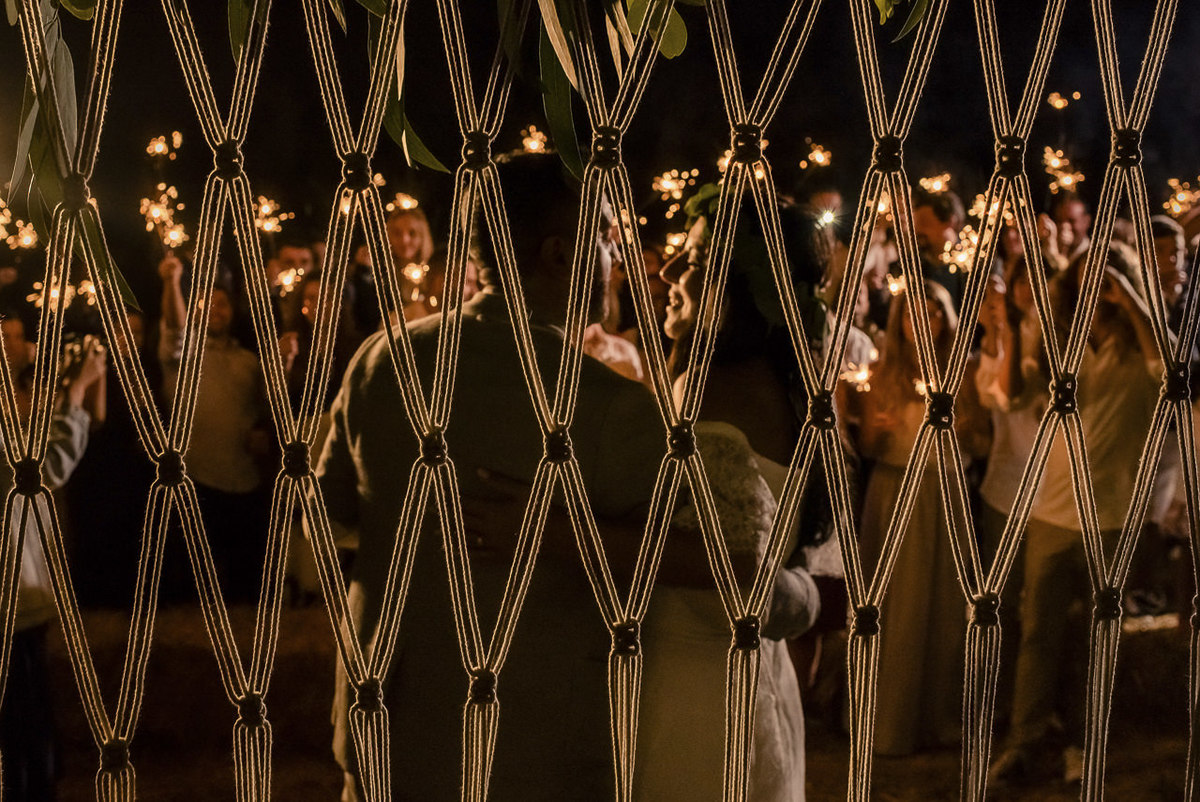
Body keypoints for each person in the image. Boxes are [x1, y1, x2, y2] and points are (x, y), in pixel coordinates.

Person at [317, 152, 694, 801]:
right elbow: (698, 567)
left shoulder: (382, 360)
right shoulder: (609, 407)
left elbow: (331, 517)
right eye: (605, 238)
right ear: (557, 253)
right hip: (534, 748)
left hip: (389, 733)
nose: (617, 261)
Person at [634, 198, 826, 801]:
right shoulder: (793, 385)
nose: (666, 273)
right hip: (757, 677)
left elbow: (729, 577)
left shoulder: (711, 389)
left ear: (742, 285)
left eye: (691, 258)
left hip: (694, 694)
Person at [990, 242, 1162, 785]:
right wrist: (1019, 326)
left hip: (1114, 514)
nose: (1094, 291)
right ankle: (1024, 743)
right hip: (1053, 509)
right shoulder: (1062, 341)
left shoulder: (1145, 346)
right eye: (1085, 280)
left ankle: (1086, 748)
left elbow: (1177, 371)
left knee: (1097, 636)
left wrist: (1132, 299)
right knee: (1040, 633)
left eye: (1105, 281)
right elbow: (1017, 397)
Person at [857, 278, 985, 755]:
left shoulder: (964, 370)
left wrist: (960, 422)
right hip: (893, 490)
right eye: (912, 314)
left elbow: (978, 441)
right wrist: (878, 426)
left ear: (946, 318)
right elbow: (868, 444)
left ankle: (937, 717)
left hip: (945, 488)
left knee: (942, 603)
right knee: (897, 603)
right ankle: (886, 720)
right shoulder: (880, 369)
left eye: (932, 313)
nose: (922, 323)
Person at [1, 317, 106, 800]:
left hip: (21, 587)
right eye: (12, 337)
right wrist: (78, 392)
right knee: (22, 705)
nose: (25, 343)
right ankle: (29, 782)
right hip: (12, 591)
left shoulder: (18, 405)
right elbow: (46, 468)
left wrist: (79, 387)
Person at [158, 255, 271, 604]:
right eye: (206, 304)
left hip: (246, 484)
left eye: (222, 304)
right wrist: (172, 282)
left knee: (247, 586)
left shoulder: (249, 361)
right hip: (198, 484)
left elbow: (262, 414)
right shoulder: (185, 355)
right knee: (198, 590)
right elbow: (177, 330)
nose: (216, 311)